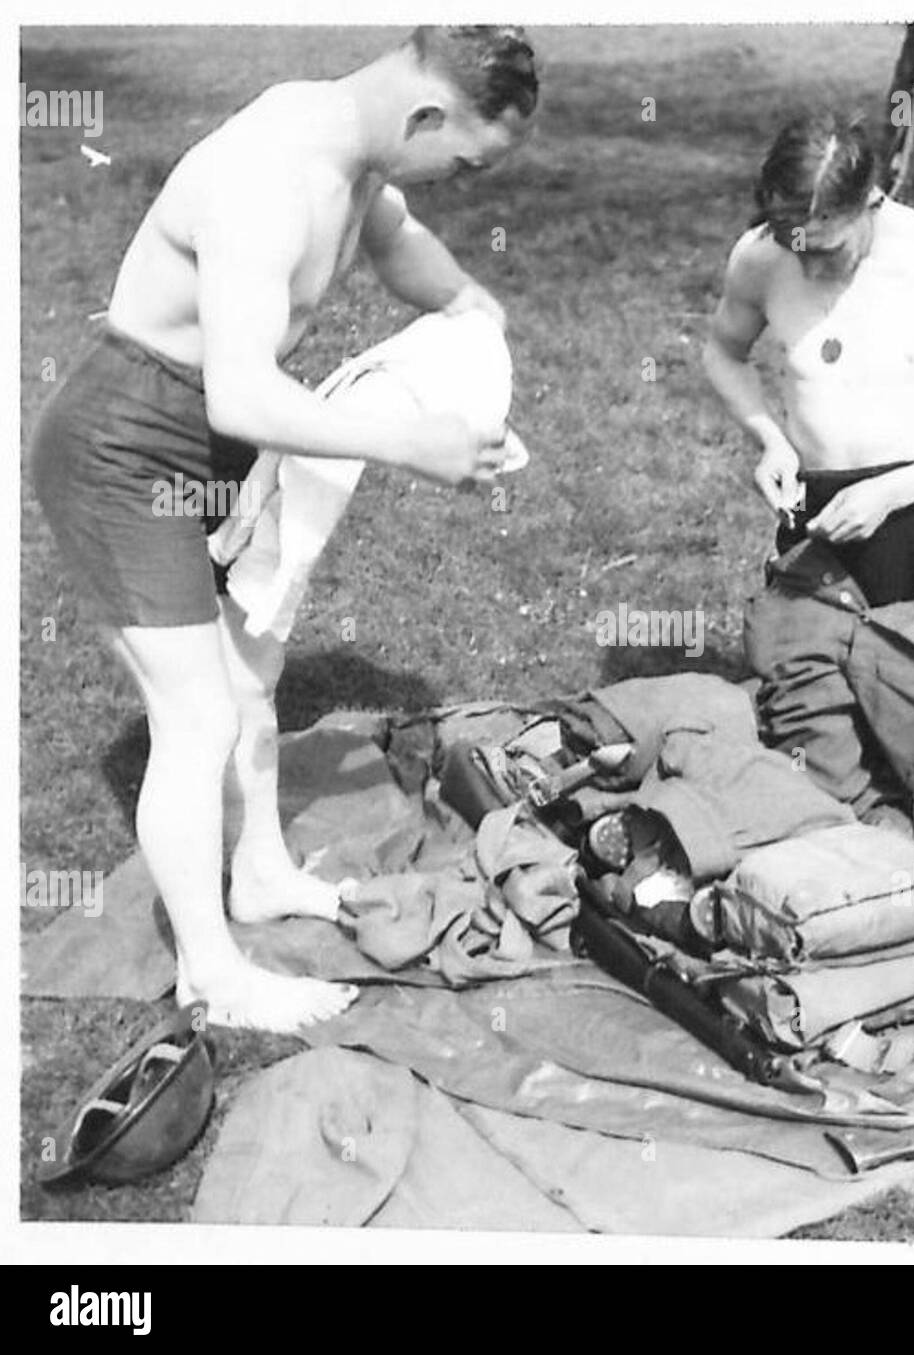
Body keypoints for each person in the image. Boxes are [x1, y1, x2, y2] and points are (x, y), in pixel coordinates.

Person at [28, 25, 538, 1032]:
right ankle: (214, 977)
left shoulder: (357, 157)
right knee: (199, 717)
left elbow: (394, 238)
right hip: (122, 451)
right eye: (468, 161)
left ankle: (259, 872)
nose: (464, 182)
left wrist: (473, 307)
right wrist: (408, 441)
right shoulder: (268, 173)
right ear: (425, 116)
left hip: (204, 442)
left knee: (251, 673)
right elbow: (245, 399)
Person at [703, 111, 914, 825]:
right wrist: (770, 438)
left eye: (827, 250)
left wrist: (889, 493)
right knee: (811, 765)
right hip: (819, 516)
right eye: (794, 247)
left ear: (872, 202)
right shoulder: (763, 256)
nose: (809, 266)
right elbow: (722, 352)